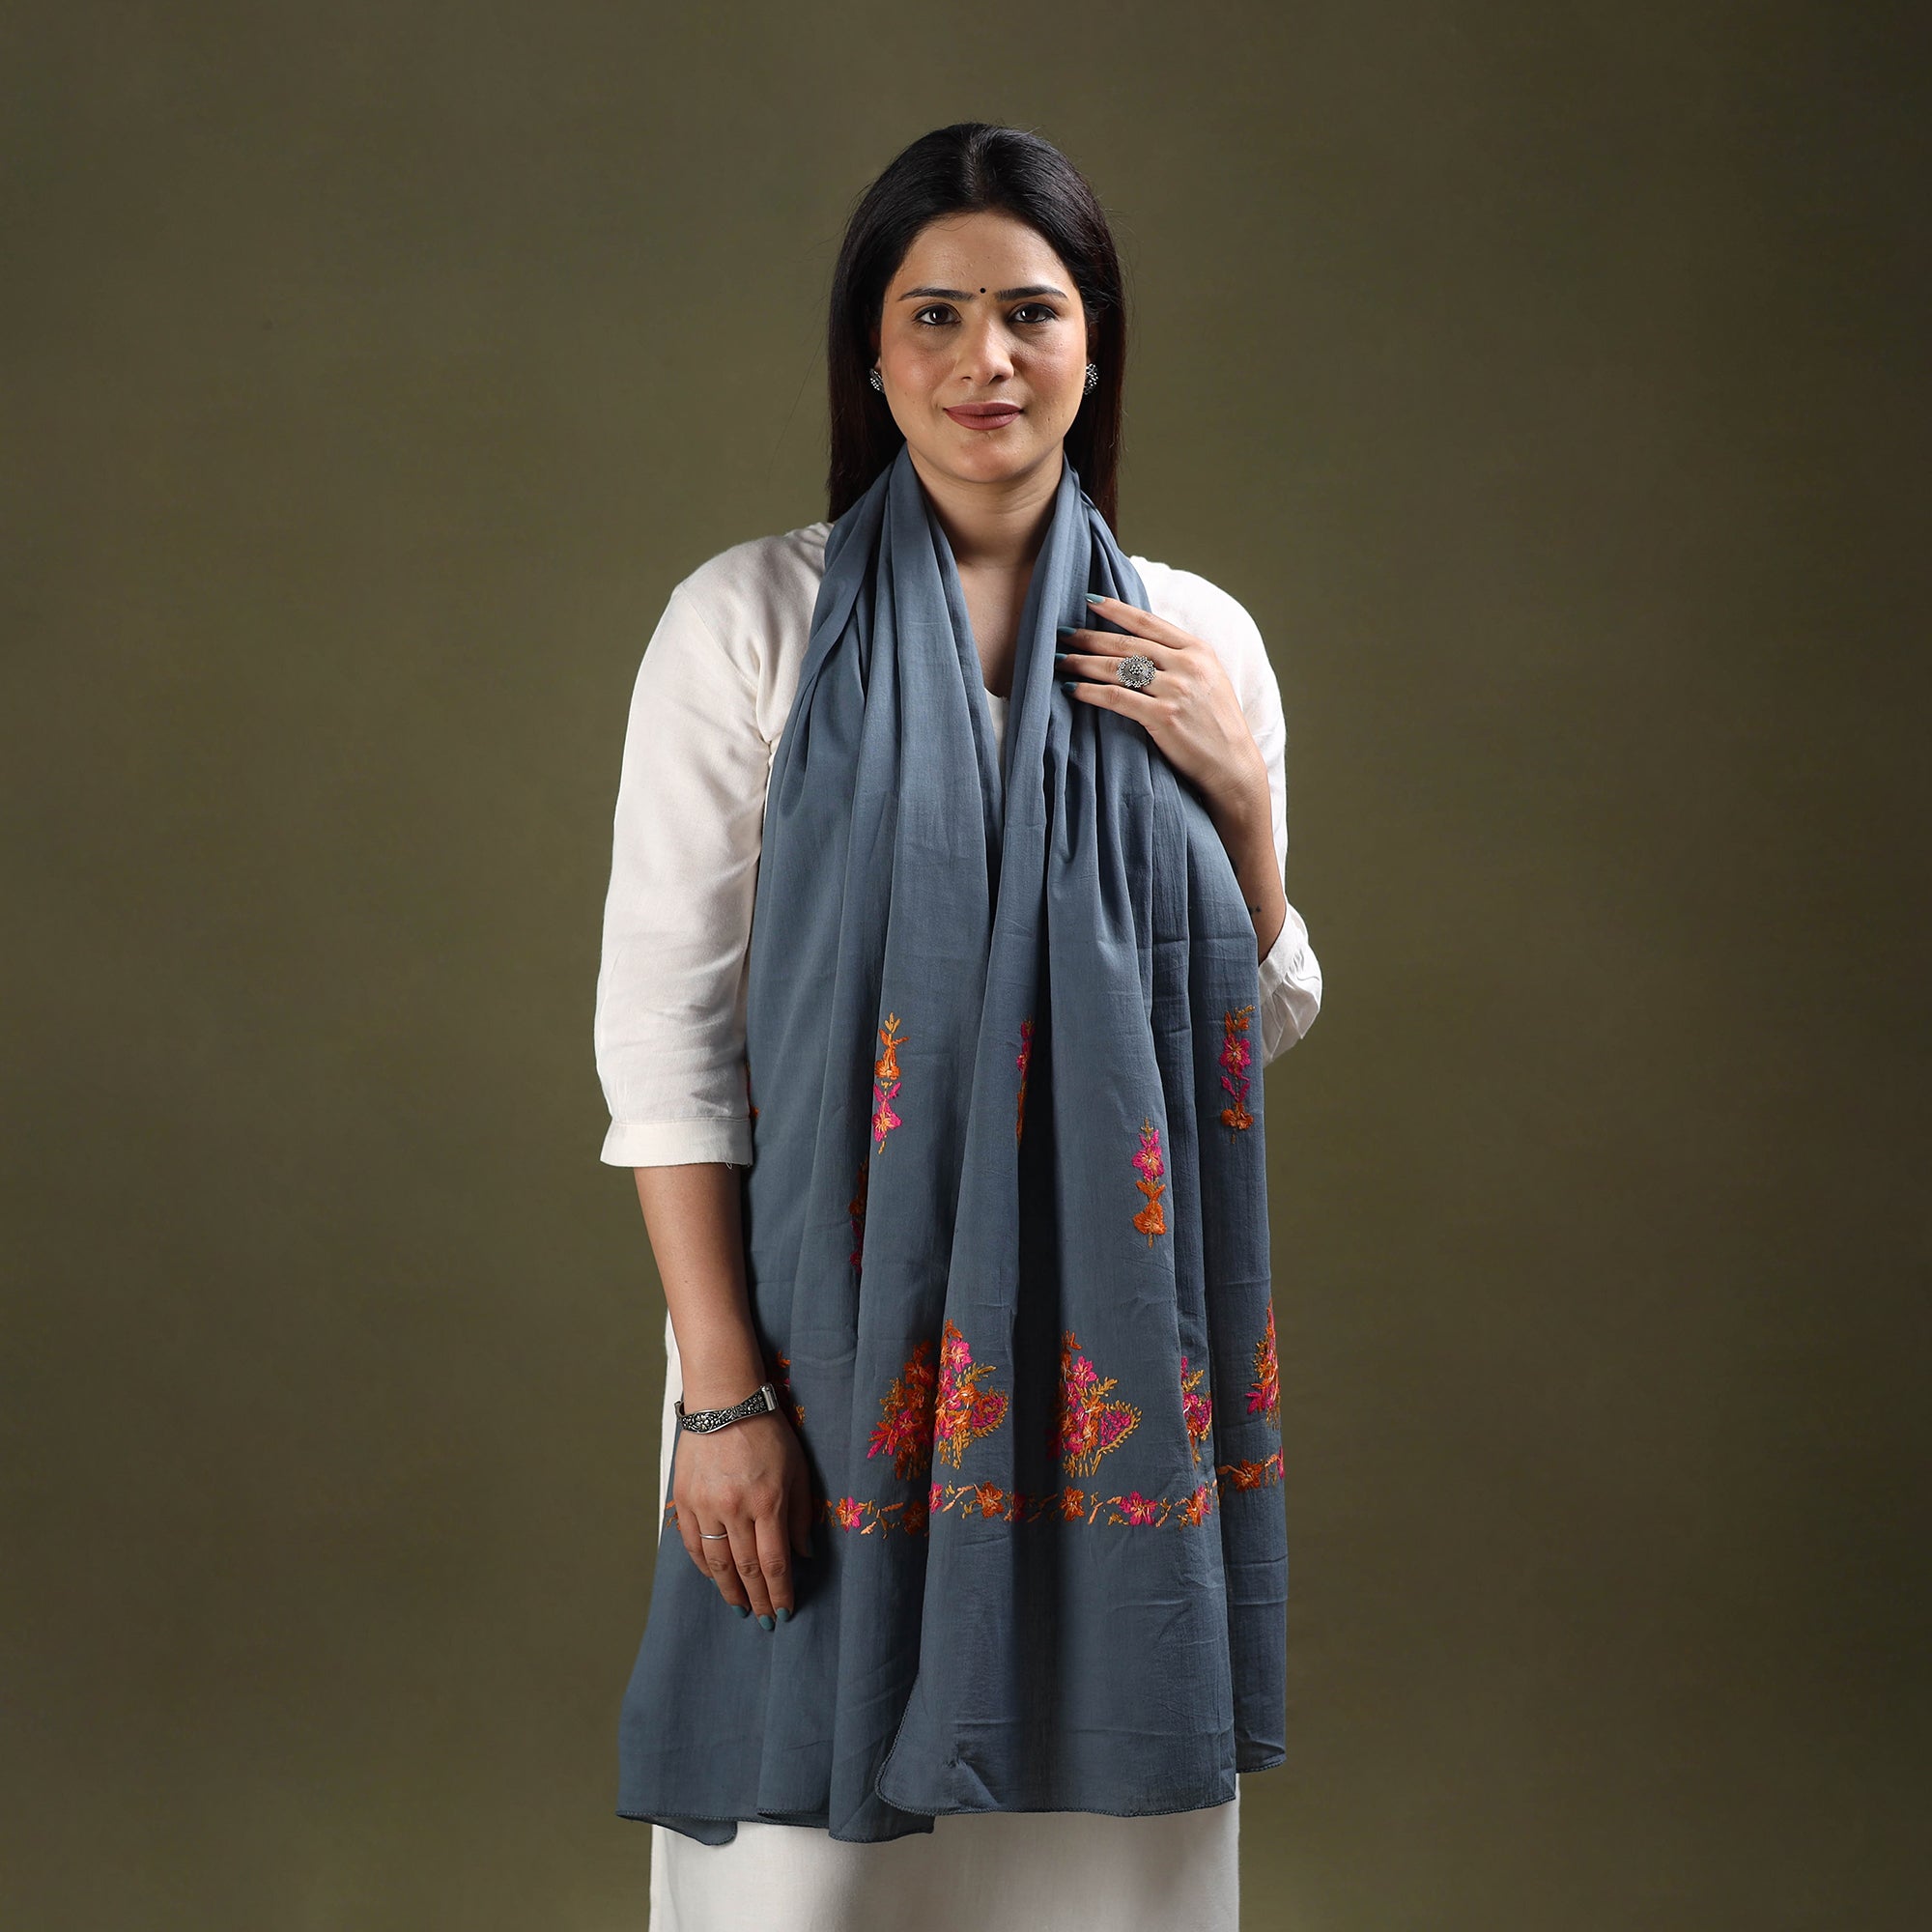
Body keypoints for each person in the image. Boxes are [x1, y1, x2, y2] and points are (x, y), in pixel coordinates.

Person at [593, 123, 1323, 1932]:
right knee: (802, 1885)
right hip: (824, 1368)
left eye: (1030, 311)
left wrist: (1242, 803)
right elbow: (667, 1043)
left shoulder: (1192, 639)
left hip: (1112, 1376)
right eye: (935, 314)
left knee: (1105, 1891)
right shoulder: (753, 626)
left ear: (1095, 344)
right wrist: (721, 1399)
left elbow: (1254, 1020)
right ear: (872, 350)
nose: (985, 358)